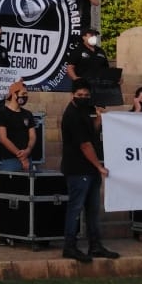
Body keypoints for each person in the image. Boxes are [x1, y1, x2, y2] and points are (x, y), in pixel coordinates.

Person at [60, 78, 119, 263]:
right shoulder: (72, 115)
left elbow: (90, 135)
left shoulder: (84, 111)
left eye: (86, 95)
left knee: (92, 210)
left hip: (88, 170)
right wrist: (99, 166)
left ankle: (95, 245)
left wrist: (99, 120)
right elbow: (85, 145)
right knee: (75, 208)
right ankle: (70, 246)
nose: (84, 98)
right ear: (72, 95)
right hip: (78, 169)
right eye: (80, 95)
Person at [0, 80, 37, 173]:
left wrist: (28, 150)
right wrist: (21, 157)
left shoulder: (28, 114)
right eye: (23, 94)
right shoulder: (2, 113)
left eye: (26, 94)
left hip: (28, 160)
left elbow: (32, 136)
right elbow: (3, 138)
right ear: (14, 94)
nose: (25, 97)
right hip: (10, 161)